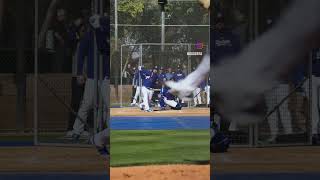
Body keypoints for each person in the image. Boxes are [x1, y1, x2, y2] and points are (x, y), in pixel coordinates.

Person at [70, 15, 110, 157]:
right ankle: (76, 131)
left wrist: (100, 28)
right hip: (93, 76)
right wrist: (80, 73)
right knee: (87, 103)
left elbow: (104, 48)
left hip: (105, 76)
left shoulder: (105, 35)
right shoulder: (88, 36)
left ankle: (104, 132)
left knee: (106, 106)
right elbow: (81, 54)